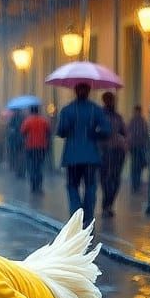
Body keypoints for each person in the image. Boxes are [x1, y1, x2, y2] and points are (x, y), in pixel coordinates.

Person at [56, 82, 108, 225]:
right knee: (90, 186)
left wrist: (70, 129)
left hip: (72, 156)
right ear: (89, 91)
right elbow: (107, 130)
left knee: (72, 185)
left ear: (75, 91)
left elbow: (60, 131)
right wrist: (94, 133)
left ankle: (76, 213)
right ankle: (88, 216)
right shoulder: (96, 110)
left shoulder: (67, 110)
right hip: (91, 155)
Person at [98, 92, 128, 217]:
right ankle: (107, 204)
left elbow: (124, 132)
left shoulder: (116, 117)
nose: (111, 102)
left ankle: (108, 204)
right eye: (109, 100)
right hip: (107, 150)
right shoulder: (102, 116)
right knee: (108, 178)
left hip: (114, 150)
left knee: (112, 178)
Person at [21, 104, 51, 194]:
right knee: (39, 166)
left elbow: (23, 132)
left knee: (32, 166)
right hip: (41, 147)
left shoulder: (28, 121)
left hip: (30, 147)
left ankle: (33, 185)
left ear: (31, 111)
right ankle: (39, 185)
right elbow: (48, 132)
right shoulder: (44, 120)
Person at [127, 104, 149, 191]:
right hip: (135, 147)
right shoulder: (134, 121)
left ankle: (136, 184)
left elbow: (145, 134)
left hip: (139, 146)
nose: (136, 113)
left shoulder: (141, 121)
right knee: (136, 166)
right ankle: (135, 184)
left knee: (138, 166)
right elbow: (129, 133)